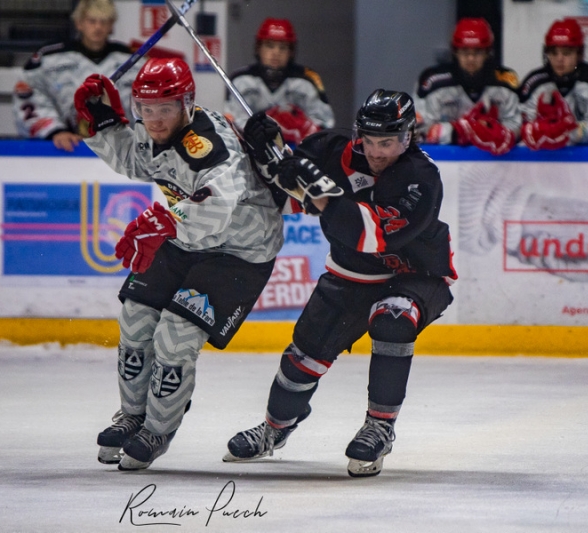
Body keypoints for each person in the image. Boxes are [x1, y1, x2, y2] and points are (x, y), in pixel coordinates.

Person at [224, 89, 457, 477]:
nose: (379, 151)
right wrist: (269, 154)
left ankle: (380, 427)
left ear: (408, 136)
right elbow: (279, 197)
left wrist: (317, 192)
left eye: (389, 142)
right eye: (371, 141)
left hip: (418, 275)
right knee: (301, 362)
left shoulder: (421, 178)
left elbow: (371, 236)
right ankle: (274, 429)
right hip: (351, 275)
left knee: (393, 317)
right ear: (358, 136)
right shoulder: (328, 151)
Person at [73, 57, 284, 470]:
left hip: (239, 250)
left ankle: (157, 428)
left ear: (187, 102)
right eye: (144, 110)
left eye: (165, 109)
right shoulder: (158, 129)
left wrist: (166, 221)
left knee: (174, 336)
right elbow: (138, 160)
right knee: (135, 320)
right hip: (186, 238)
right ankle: (132, 416)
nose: (153, 120)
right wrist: (101, 124)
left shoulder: (208, 144)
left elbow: (218, 204)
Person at [13, 0, 143, 152]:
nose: (98, 27)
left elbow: (149, 107)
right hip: (62, 149)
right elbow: (28, 97)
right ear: (79, 23)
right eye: (92, 21)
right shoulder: (49, 59)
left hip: (121, 151)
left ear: (111, 25)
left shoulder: (132, 61)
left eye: (104, 22)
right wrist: (55, 131)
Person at [415, 17, 520, 155]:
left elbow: (516, 125)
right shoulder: (432, 82)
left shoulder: (505, 81)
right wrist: (455, 132)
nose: (471, 58)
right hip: (442, 162)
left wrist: (496, 132)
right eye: (465, 51)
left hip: (494, 160)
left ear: (488, 53)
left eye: (477, 52)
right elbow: (418, 129)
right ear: (455, 52)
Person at [224, 18, 335, 144]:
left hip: (297, 153)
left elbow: (326, 124)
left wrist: (304, 127)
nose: (276, 52)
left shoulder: (307, 81)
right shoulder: (241, 80)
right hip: (251, 151)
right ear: (258, 48)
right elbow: (230, 123)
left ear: (291, 52)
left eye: (283, 47)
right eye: (269, 45)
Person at [519, 18, 588, 150]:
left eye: (566, 53)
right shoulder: (535, 82)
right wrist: (535, 129)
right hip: (543, 160)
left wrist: (569, 132)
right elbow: (520, 123)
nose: (559, 59)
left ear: (579, 54)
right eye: (553, 52)